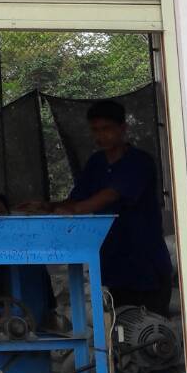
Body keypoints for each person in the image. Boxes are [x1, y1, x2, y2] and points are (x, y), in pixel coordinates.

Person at [21, 101, 173, 315]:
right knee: (120, 327)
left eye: (106, 129)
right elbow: (75, 200)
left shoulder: (139, 162)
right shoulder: (96, 163)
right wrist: (47, 207)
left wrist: (73, 210)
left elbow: (109, 195)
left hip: (146, 264)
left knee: (150, 328)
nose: (101, 136)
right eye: (95, 130)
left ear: (123, 128)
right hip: (112, 264)